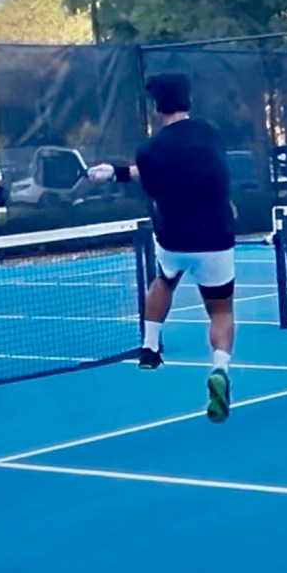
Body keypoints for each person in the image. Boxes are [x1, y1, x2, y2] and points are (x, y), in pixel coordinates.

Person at [88, 72, 235, 423]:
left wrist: (115, 173)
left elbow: (154, 178)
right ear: (189, 101)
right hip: (215, 237)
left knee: (164, 280)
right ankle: (220, 369)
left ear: (156, 108)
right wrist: (117, 171)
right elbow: (206, 170)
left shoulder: (150, 149)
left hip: (173, 238)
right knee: (220, 310)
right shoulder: (211, 134)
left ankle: (150, 347)